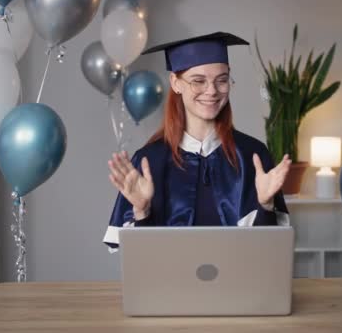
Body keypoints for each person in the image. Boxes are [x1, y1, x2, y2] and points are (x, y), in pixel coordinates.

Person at [103, 32, 292, 250]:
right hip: (170, 282)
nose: (212, 91)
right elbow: (139, 259)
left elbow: (267, 253)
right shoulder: (148, 161)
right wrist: (142, 212)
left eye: (221, 80)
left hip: (237, 282)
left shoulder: (253, 155)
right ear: (176, 83)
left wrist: (266, 206)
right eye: (198, 81)